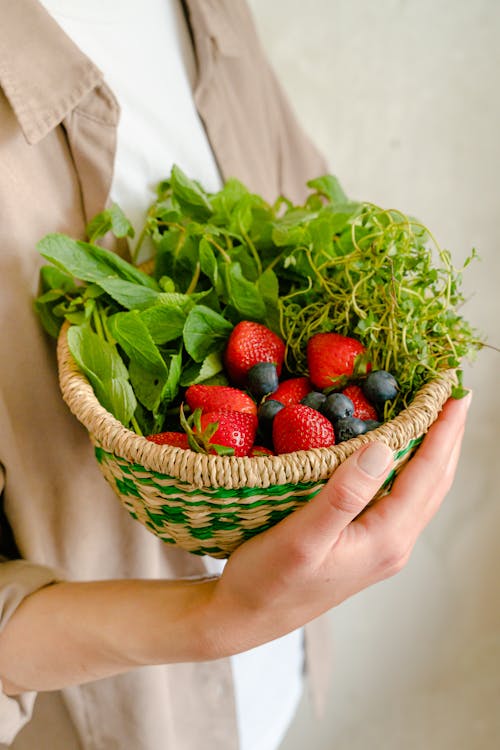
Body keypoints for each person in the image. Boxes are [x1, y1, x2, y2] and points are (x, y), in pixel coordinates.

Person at [0, 1, 471, 748]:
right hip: (117, 723)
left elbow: (313, 223)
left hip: (273, 693)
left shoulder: (207, 10)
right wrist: (212, 620)